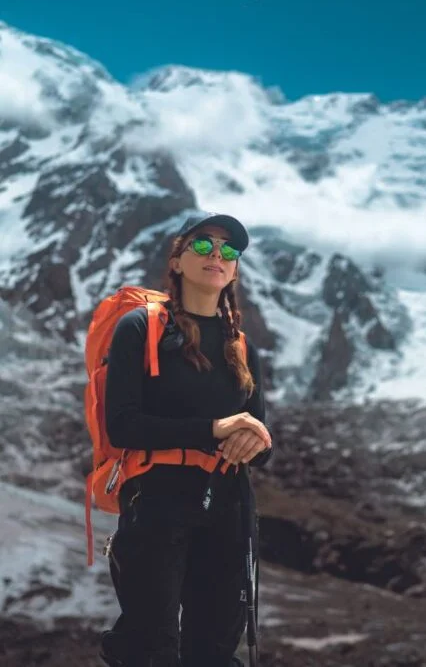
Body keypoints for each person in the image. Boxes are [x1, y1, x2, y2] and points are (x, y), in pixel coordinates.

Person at [99, 211, 273, 667]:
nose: (216, 254)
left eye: (228, 250)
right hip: (156, 506)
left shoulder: (242, 346)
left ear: (234, 270)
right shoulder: (140, 329)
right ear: (176, 260)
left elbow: (262, 441)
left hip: (229, 509)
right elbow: (122, 425)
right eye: (202, 245)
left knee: (213, 652)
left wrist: (256, 439)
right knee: (149, 647)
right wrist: (214, 430)